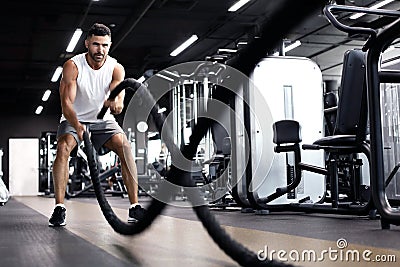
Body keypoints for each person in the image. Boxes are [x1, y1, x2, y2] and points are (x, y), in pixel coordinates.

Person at [49, 23, 145, 227]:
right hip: (74, 118)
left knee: (125, 147)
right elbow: (66, 104)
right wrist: (78, 125)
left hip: (103, 119)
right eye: (95, 44)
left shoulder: (116, 68)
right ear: (87, 44)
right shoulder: (73, 66)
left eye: (104, 45)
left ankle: (134, 207)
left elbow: (118, 95)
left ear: (109, 45)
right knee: (63, 147)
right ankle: (59, 207)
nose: (100, 50)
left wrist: (118, 103)